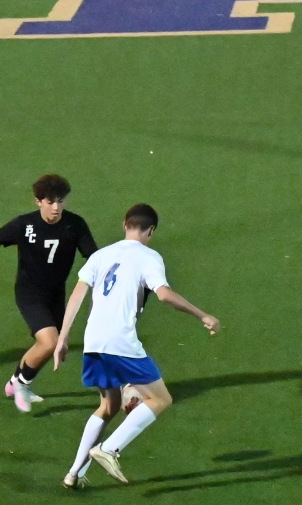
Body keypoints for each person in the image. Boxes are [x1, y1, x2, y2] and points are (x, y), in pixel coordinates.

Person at [56, 203, 221, 487]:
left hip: (93, 340)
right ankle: (109, 448)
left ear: (125, 225)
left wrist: (63, 338)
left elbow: (78, 294)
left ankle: (75, 473)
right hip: (120, 341)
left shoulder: (101, 254)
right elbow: (165, 295)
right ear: (151, 231)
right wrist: (202, 314)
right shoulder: (149, 257)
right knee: (160, 399)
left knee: (109, 406)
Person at [0, 173, 98, 414]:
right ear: (38, 201)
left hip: (56, 294)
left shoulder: (75, 225)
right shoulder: (25, 225)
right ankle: (21, 385)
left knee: (47, 347)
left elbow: (94, 257)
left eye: (61, 201)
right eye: (50, 202)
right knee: (49, 342)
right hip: (29, 293)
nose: (56, 208)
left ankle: (14, 382)